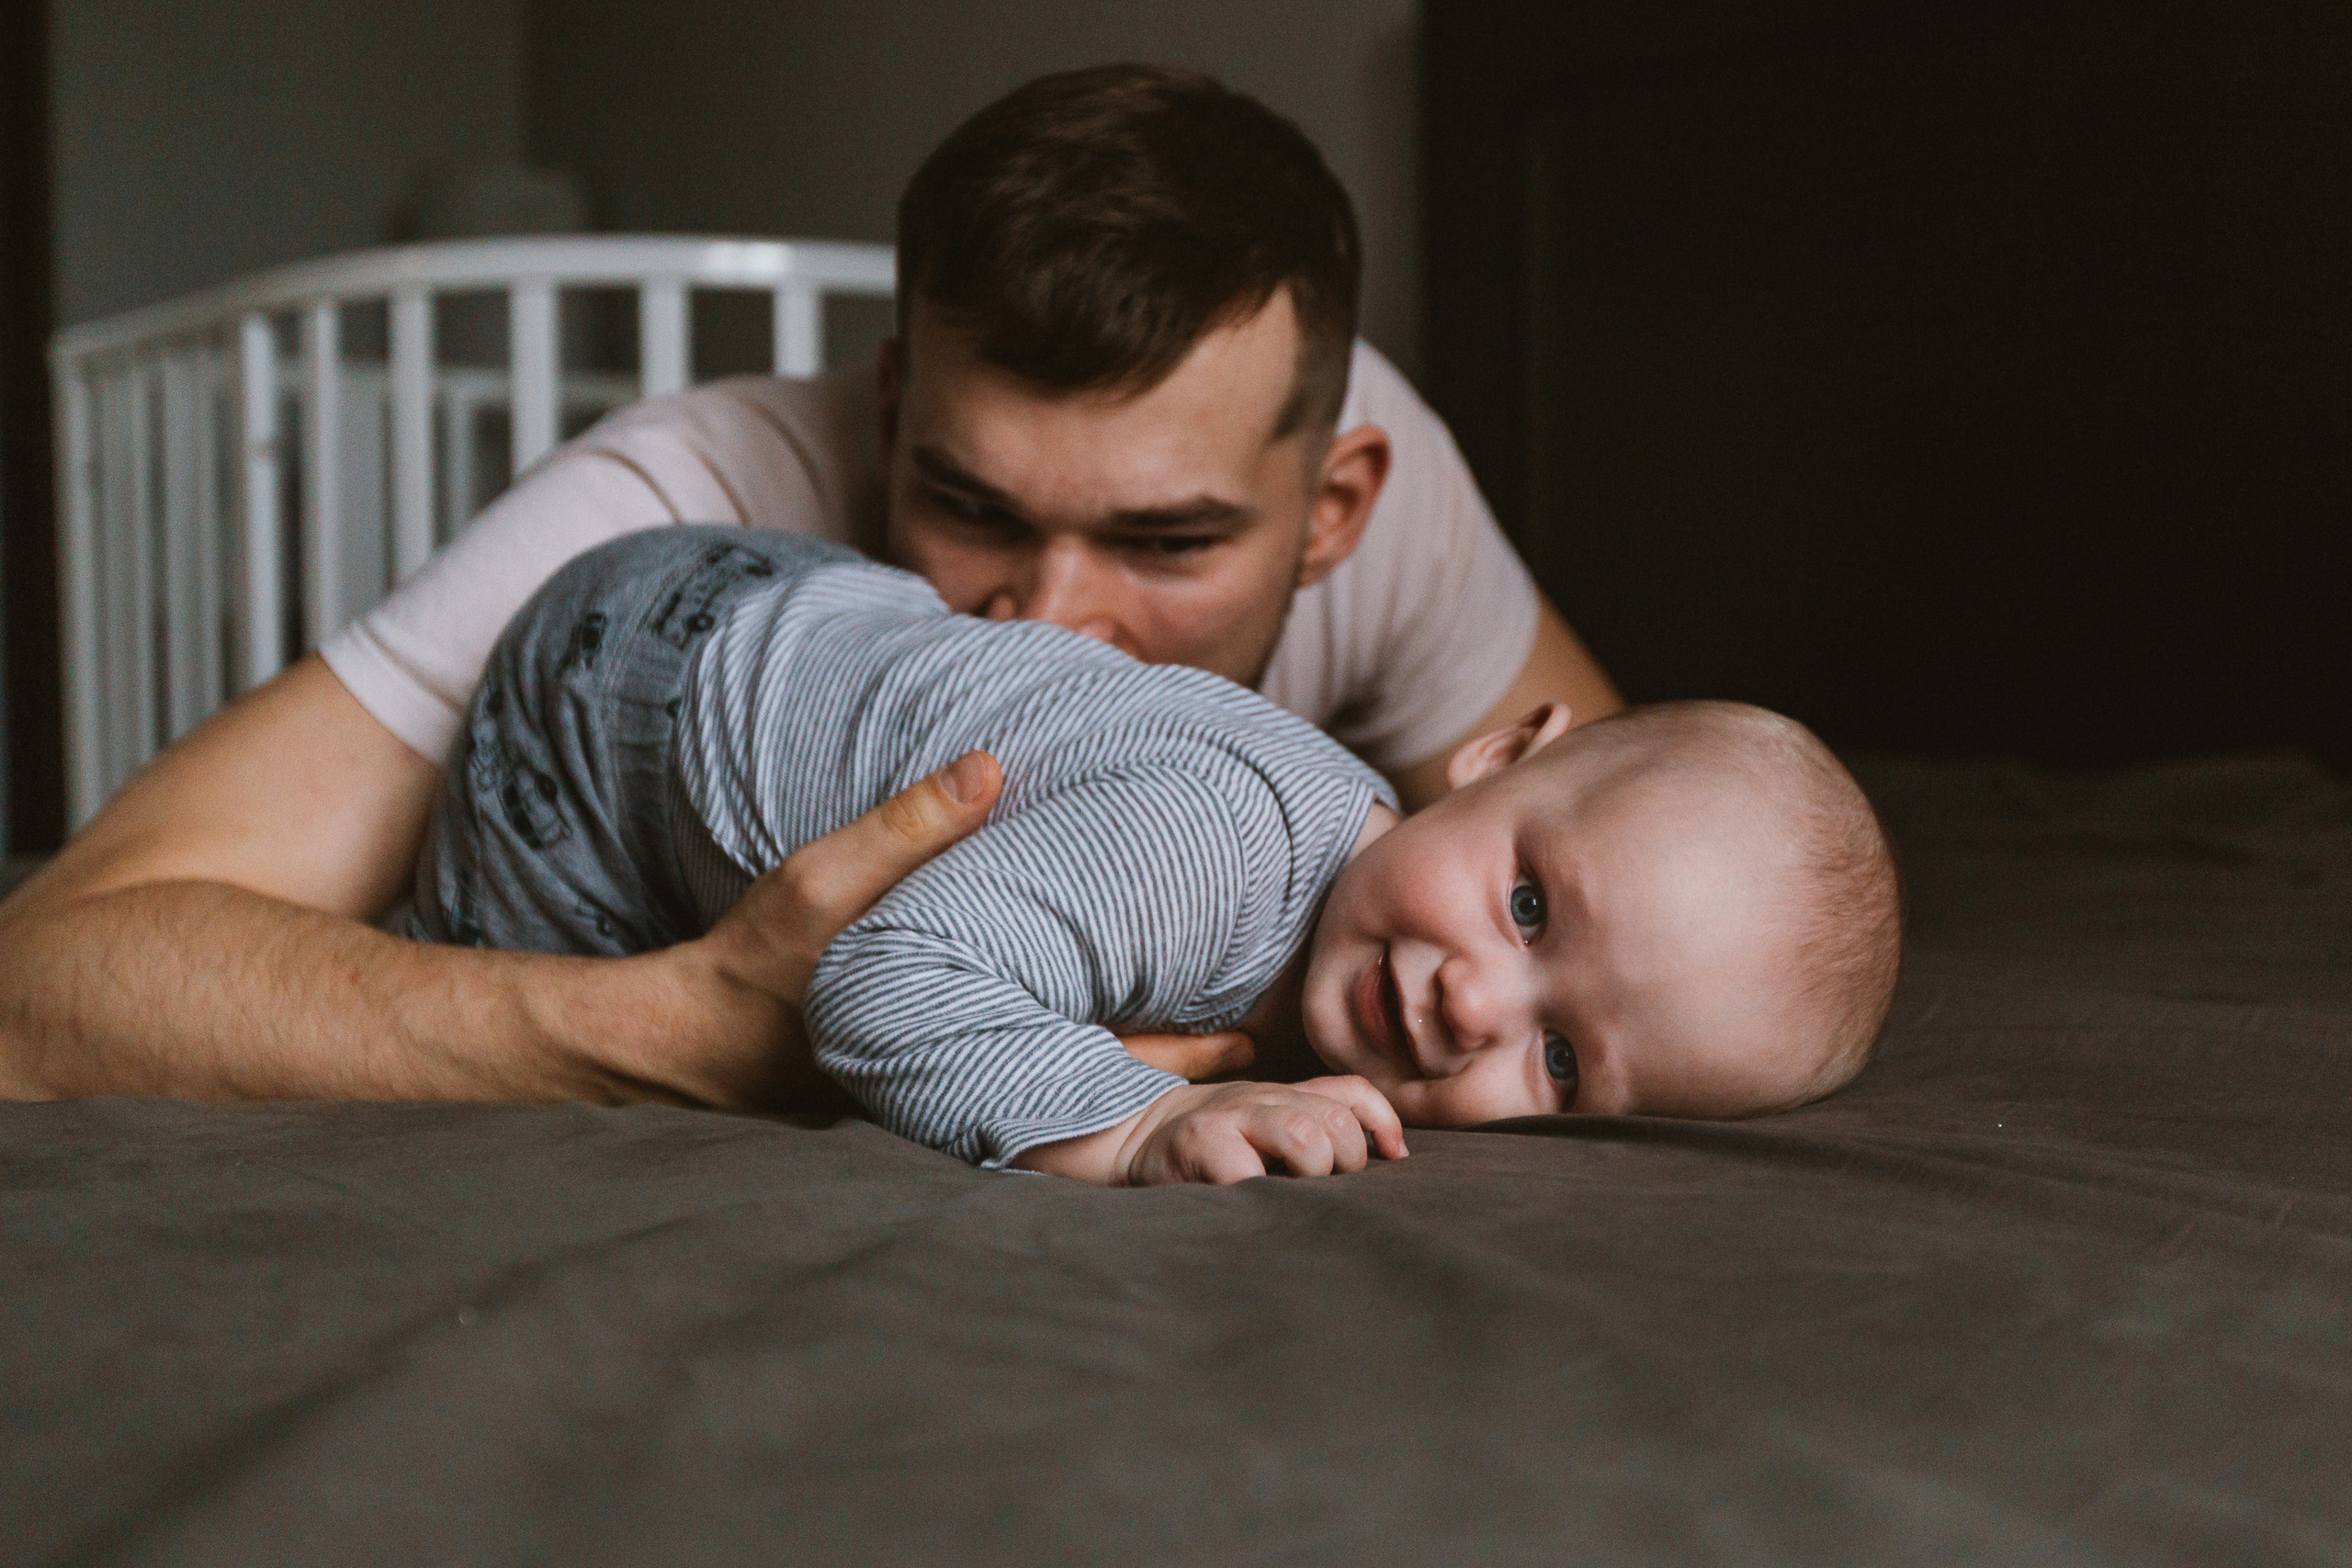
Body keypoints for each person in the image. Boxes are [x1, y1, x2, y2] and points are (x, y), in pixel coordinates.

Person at [0, 65, 1622, 1106]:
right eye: (967, 503)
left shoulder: (1380, 473)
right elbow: (41, 985)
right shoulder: (671, 508)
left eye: (1167, 545)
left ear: (1333, 507)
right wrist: (696, 1032)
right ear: (890, 408)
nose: (1051, 618)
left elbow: (1642, 872)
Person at [401, 525, 1900, 1184]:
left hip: (834, 617)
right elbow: (885, 973)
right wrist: (1121, 1129)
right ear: (1497, 755)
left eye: (1562, 1064)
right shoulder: (1221, 854)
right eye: (1525, 905)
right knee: (487, 974)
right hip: (635, 699)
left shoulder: (1353, 902)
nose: (1475, 1008)